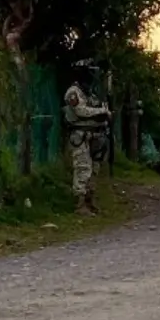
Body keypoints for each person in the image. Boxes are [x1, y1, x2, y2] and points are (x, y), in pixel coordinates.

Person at [62, 60, 110, 215]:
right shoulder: (73, 92)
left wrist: (104, 114)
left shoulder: (90, 93)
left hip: (96, 135)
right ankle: (80, 203)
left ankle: (90, 200)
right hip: (80, 135)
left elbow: (104, 111)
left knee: (94, 169)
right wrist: (100, 113)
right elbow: (81, 111)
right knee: (83, 167)